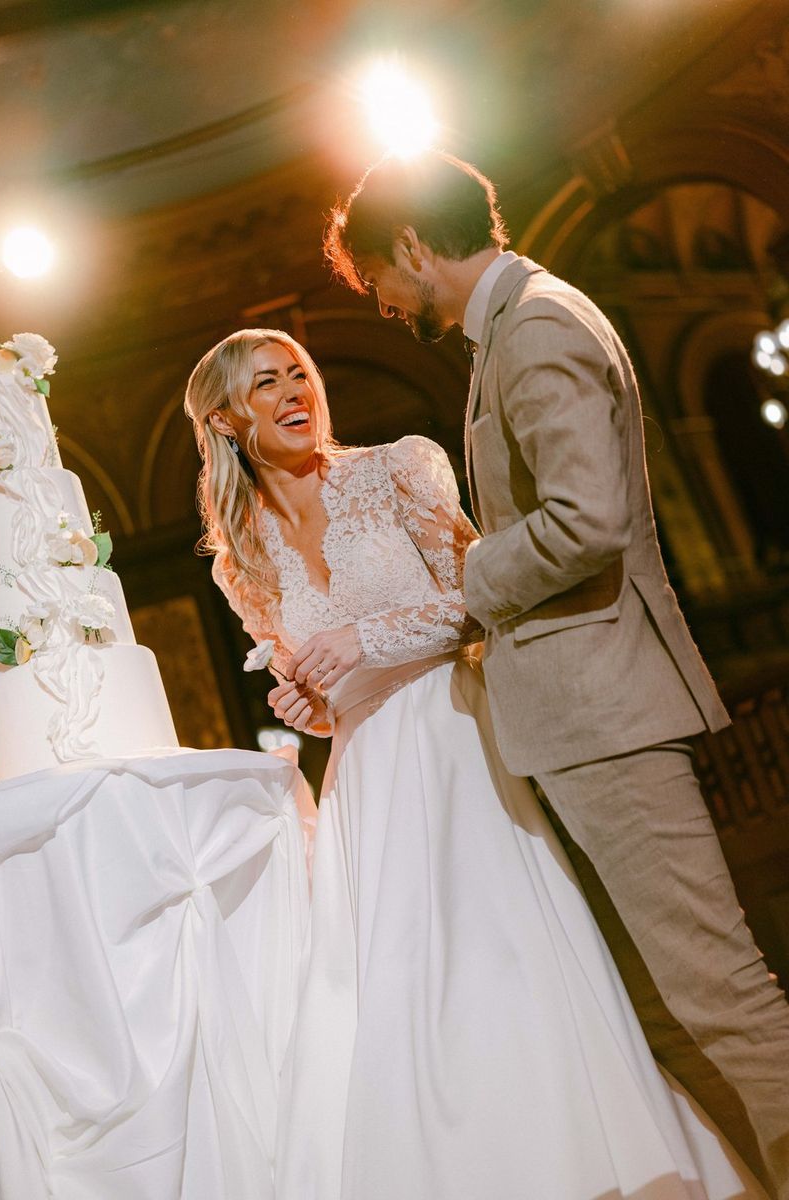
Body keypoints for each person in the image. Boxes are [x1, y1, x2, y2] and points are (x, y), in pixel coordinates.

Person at [185, 326, 768, 1200]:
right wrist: (308, 705)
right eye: (267, 384)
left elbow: (478, 598)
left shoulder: (397, 469)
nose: (295, 390)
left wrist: (364, 637)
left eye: (300, 372)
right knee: (404, 992)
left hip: (459, 740)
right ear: (228, 420)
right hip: (367, 777)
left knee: (505, 958)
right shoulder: (243, 561)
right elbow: (315, 681)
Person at [323, 150, 789, 1198]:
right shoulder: (517, 325)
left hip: (603, 713)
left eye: (381, 284)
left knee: (718, 994)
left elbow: (586, 520)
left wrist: (470, 571)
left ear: (409, 245)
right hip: (585, 715)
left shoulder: (533, 325)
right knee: (699, 991)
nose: (387, 306)